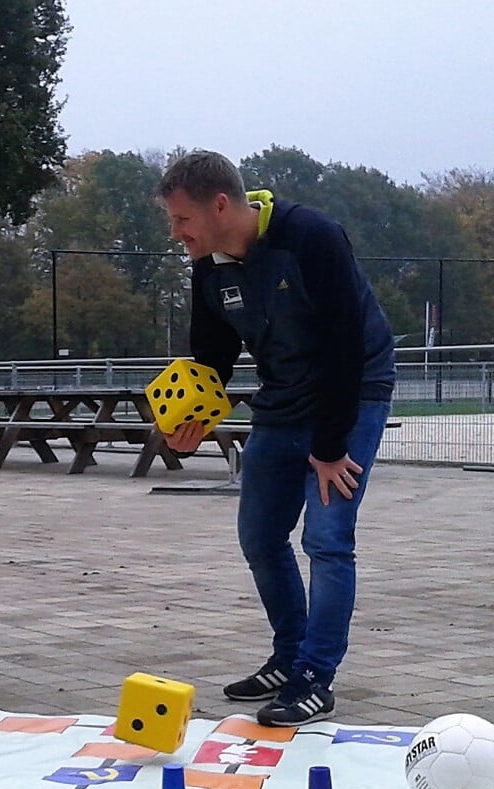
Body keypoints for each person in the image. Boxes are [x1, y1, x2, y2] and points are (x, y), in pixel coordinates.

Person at [156, 151, 397, 726]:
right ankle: (289, 657)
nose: (176, 233)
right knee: (260, 536)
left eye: (182, 220)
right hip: (283, 397)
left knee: (328, 536)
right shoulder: (208, 265)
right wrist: (190, 419)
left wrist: (330, 446)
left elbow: (344, 344)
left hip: (353, 391)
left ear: (220, 205)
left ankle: (315, 675)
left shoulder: (310, 237)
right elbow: (211, 356)